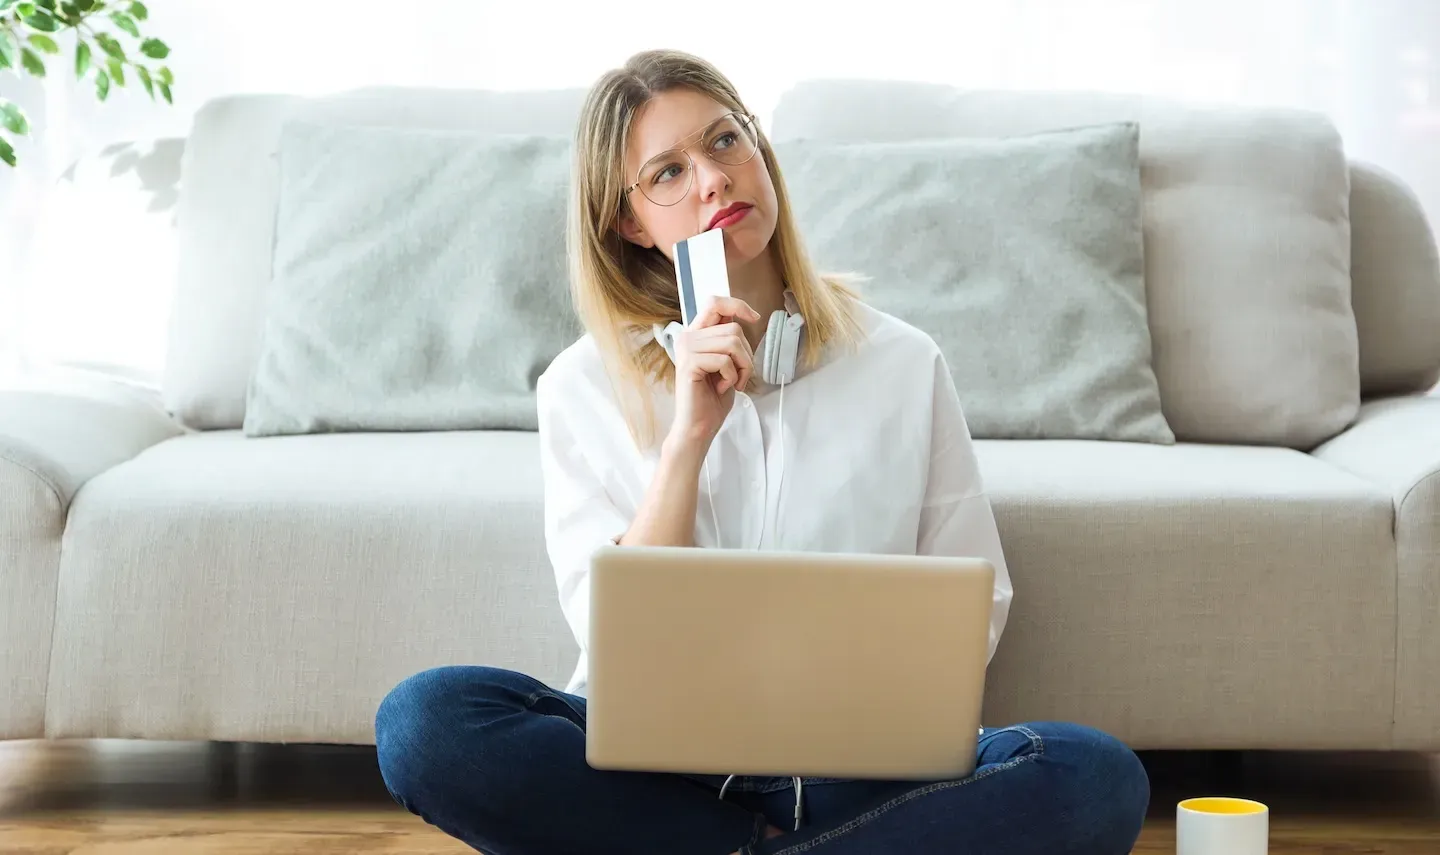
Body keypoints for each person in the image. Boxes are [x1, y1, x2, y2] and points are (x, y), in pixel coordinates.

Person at [374, 49, 1151, 855]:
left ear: (759, 152)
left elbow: (975, 600)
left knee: (1095, 774)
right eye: (667, 173)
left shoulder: (903, 360)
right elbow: (611, 638)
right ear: (629, 222)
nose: (712, 180)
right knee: (424, 722)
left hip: (864, 769)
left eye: (722, 143)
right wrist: (688, 440)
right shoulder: (580, 384)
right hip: (656, 773)